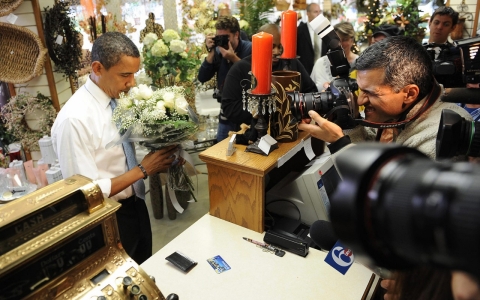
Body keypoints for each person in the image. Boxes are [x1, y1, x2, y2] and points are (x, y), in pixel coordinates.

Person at [51, 32, 182, 265]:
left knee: (143, 271)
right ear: (98, 68)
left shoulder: (117, 99)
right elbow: (83, 194)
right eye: (125, 75)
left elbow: (123, 152)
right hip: (107, 220)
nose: (131, 83)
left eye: (134, 74)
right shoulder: (75, 119)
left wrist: (162, 155)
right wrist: (143, 169)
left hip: (136, 207)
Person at [298, 35, 472, 161]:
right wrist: (348, 121)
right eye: (360, 90)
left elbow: (398, 197)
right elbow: (370, 147)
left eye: (371, 93)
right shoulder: (398, 113)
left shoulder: (444, 133)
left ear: (410, 94)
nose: (360, 101)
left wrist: (341, 145)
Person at [220, 23, 318, 139]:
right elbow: (229, 108)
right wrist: (258, 110)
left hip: (293, 133)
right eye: (272, 46)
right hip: (253, 136)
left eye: (280, 46)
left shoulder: (292, 64)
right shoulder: (240, 69)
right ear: (258, 45)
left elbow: (311, 91)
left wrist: (297, 107)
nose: (277, 51)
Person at [197, 16, 252, 142]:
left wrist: (233, 58)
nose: (221, 41)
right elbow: (202, 77)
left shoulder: (250, 48)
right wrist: (211, 52)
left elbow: (253, 75)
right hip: (226, 115)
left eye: (225, 37)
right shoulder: (217, 51)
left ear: (236, 35)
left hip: (246, 112)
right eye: (218, 37)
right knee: (222, 152)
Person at [310, 21, 358, 91]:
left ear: (352, 40)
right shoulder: (320, 63)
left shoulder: (360, 63)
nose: (340, 44)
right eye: (337, 40)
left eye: (345, 40)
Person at [296, 3, 327, 75]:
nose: (319, 15)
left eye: (320, 12)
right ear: (308, 14)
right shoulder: (299, 31)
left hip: (323, 72)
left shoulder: (325, 30)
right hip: (305, 72)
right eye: (315, 12)